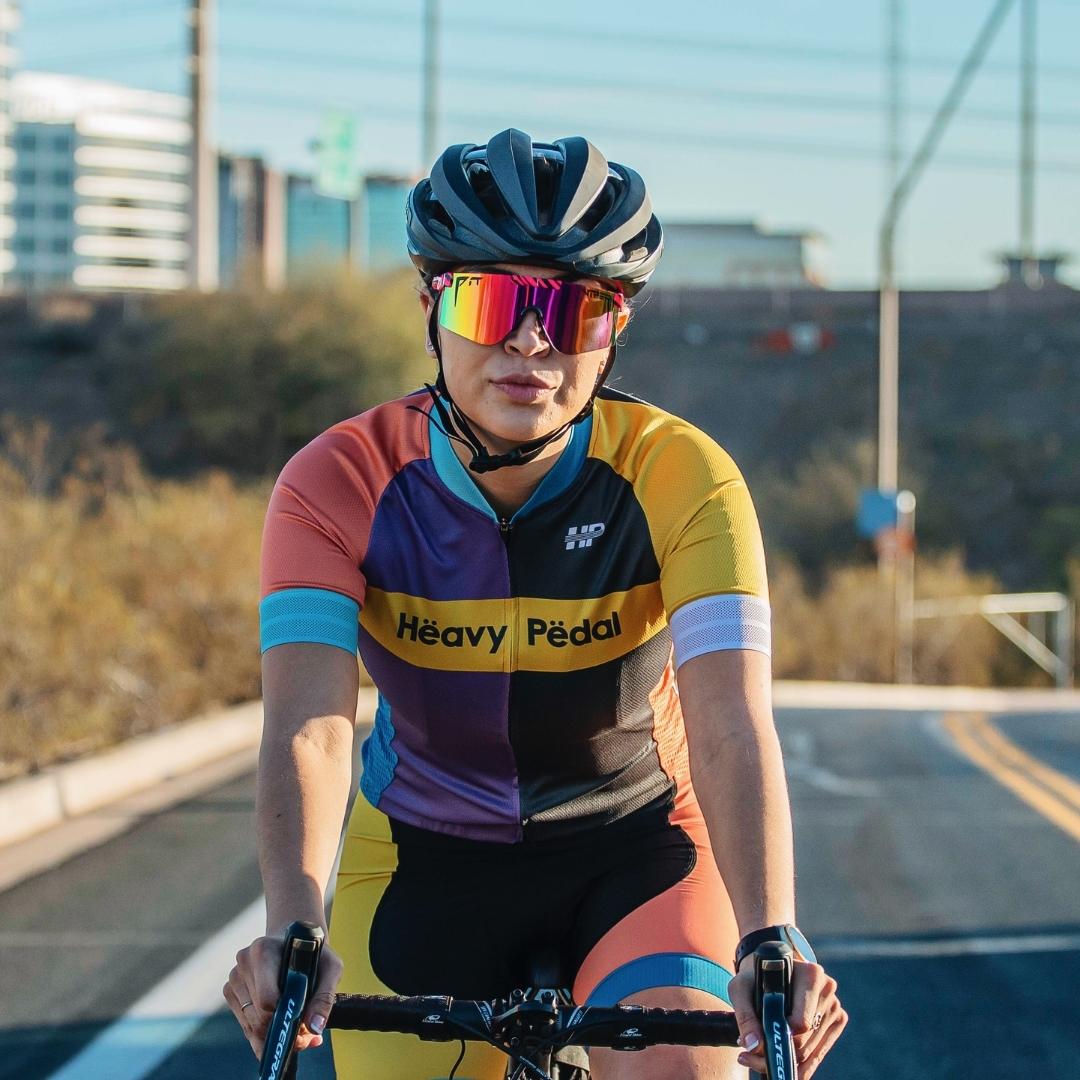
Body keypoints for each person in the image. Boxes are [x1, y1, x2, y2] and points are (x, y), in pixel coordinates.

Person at [225, 127, 846, 1079]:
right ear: (434, 309)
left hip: (639, 847)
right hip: (424, 857)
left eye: (573, 311)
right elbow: (310, 728)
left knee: (689, 1069)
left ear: (615, 331)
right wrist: (293, 927)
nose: (530, 341)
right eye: (494, 299)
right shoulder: (338, 480)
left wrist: (771, 936)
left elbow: (730, 721)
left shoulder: (686, 478)